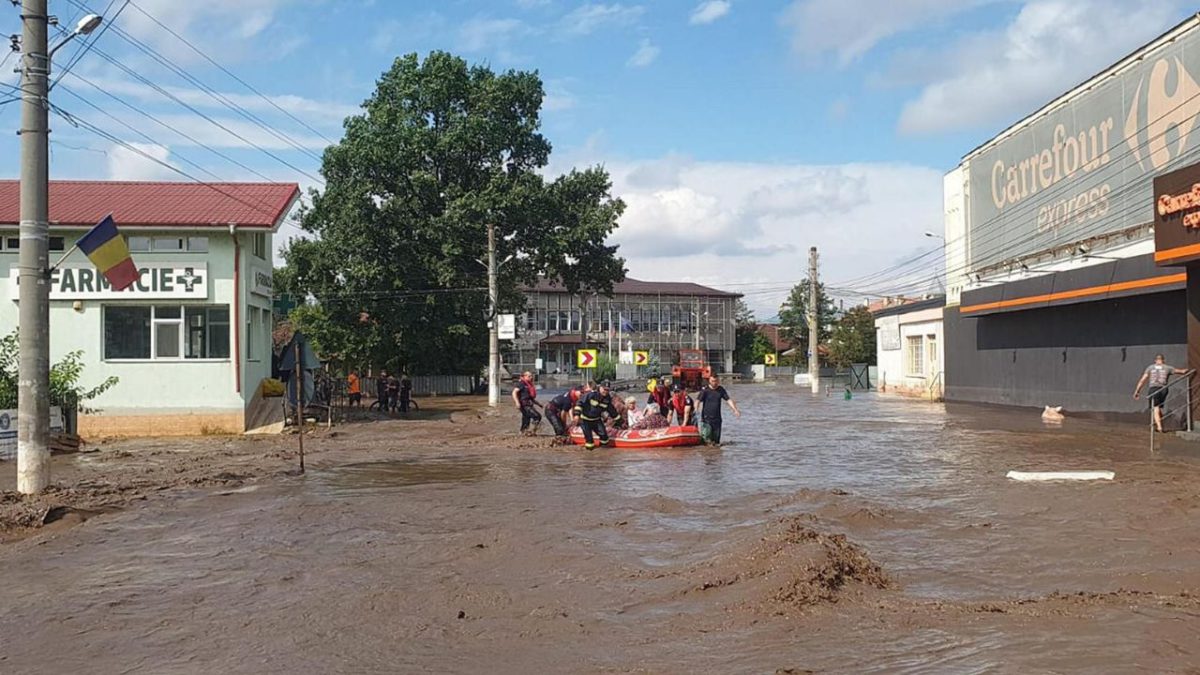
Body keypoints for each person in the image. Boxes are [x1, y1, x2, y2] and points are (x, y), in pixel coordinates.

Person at [1134, 354, 1189, 433]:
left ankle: (1159, 427)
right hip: (1164, 389)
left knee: (1155, 408)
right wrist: (1188, 370)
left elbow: (1143, 380)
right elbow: (1181, 371)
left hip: (1154, 389)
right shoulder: (1167, 368)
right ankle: (1159, 423)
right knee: (1158, 407)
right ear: (1163, 360)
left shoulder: (1150, 368)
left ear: (1155, 360)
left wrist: (1137, 391)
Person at [696, 375, 740, 445]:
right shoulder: (705, 390)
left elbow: (728, 400)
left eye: (716, 381)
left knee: (716, 443)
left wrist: (735, 410)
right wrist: (696, 410)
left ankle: (716, 455)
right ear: (709, 381)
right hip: (706, 419)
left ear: (718, 381)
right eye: (712, 381)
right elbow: (698, 401)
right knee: (706, 441)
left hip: (717, 419)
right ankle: (705, 454)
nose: (714, 383)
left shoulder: (720, 389)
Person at [573, 381, 617, 450]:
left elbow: (612, 411)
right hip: (585, 420)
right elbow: (579, 403)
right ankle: (589, 456)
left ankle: (602, 454)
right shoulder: (591, 395)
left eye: (607, 390)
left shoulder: (607, 399)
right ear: (600, 388)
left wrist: (621, 422)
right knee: (590, 442)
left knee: (604, 438)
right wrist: (576, 415)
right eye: (604, 389)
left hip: (596, 420)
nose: (605, 391)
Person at [512, 371, 543, 436]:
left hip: (529, 403)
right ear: (524, 376)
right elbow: (514, 392)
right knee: (537, 416)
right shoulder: (521, 383)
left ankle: (523, 432)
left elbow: (530, 397)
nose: (531, 377)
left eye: (531, 376)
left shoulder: (528, 384)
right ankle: (532, 431)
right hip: (524, 404)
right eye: (529, 376)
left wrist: (538, 404)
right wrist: (517, 402)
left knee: (526, 419)